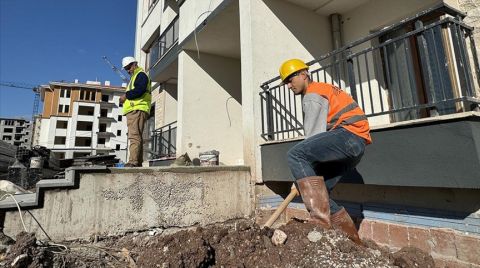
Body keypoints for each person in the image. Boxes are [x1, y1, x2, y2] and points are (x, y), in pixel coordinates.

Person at [279, 59, 371, 244]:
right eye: (286, 83)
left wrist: (300, 176)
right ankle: (354, 242)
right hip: (356, 145)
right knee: (321, 194)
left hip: (347, 135)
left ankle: (319, 222)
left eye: (290, 80)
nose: (289, 86)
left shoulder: (312, 95)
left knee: (295, 154)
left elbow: (313, 138)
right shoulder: (323, 88)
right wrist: (305, 179)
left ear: (303, 74)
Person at [119, 56, 152, 167]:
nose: (128, 71)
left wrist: (126, 96)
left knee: (134, 136)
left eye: (129, 67)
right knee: (137, 136)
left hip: (136, 109)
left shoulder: (140, 75)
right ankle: (137, 162)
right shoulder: (136, 76)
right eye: (126, 69)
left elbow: (140, 90)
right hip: (136, 110)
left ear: (134, 64)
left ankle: (133, 162)